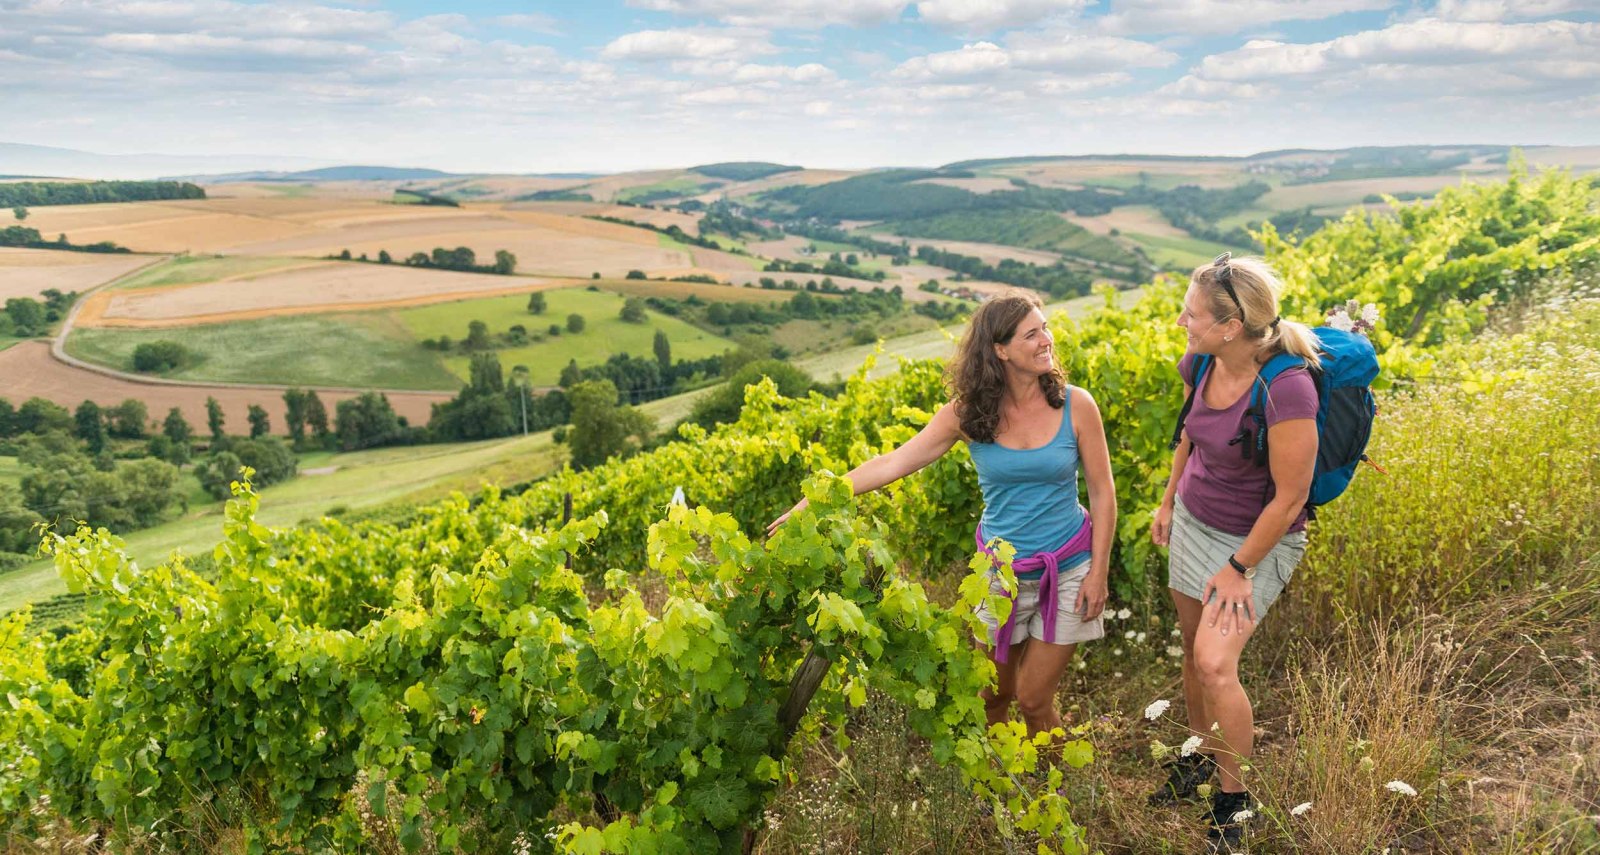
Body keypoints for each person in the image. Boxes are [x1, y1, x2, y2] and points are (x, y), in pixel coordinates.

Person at [768, 290, 1116, 743]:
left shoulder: (1077, 404)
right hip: (999, 577)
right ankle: (1010, 790)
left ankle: (1057, 793)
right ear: (1000, 349)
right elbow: (892, 463)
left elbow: (1102, 493)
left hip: (1069, 569)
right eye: (1032, 333)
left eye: (1046, 327)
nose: (1047, 339)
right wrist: (813, 500)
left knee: (1033, 699)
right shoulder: (968, 415)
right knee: (993, 696)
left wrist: (1099, 573)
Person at [1147, 253, 1321, 853]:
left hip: (1257, 541)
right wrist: (1169, 502)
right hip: (1195, 521)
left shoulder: (1288, 387)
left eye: (1190, 314)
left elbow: (1292, 496)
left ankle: (1233, 799)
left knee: (1216, 664)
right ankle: (1197, 756)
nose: (1180, 322)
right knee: (1195, 657)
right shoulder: (1201, 361)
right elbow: (1188, 434)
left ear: (1229, 326)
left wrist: (1240, 567)